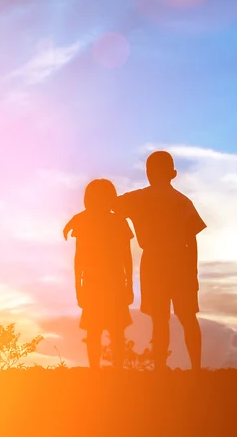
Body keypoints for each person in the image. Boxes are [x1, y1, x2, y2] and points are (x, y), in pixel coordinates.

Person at [114, 151, 207, 371]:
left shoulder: (138, 198)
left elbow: (110, 204)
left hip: (154, 262)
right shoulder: (183, 201)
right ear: (173, 174)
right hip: (181, 262)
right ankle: (196, 368)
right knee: (187, 317)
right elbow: (192, 242)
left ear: (148, 173)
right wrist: (193, 273)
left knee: (159, 319)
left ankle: (159, 367)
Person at [63, 179, 134, 369]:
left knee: (110, 331)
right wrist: (79, 286)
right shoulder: (91, 221)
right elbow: (79, 258)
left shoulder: (115, 221)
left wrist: (129, 285)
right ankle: (98, 370)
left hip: (110, 281)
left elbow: (126, 257)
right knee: (100, 331)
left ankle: (106, 370)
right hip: (101, 281)